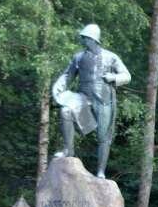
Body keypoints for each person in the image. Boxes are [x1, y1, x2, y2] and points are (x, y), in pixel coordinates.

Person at [51, 24, 131, 179]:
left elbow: (127, 76)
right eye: (83, 38)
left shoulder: (111, 57)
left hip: (104, 100)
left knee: (103, 137)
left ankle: (101, 171)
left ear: (94, 40)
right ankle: (68, 150)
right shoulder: (79, 57)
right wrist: (58, 87)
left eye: (86, 38)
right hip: (84, 97)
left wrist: (114, 77)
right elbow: (68, 75)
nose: (83, 41)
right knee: (65, 111)